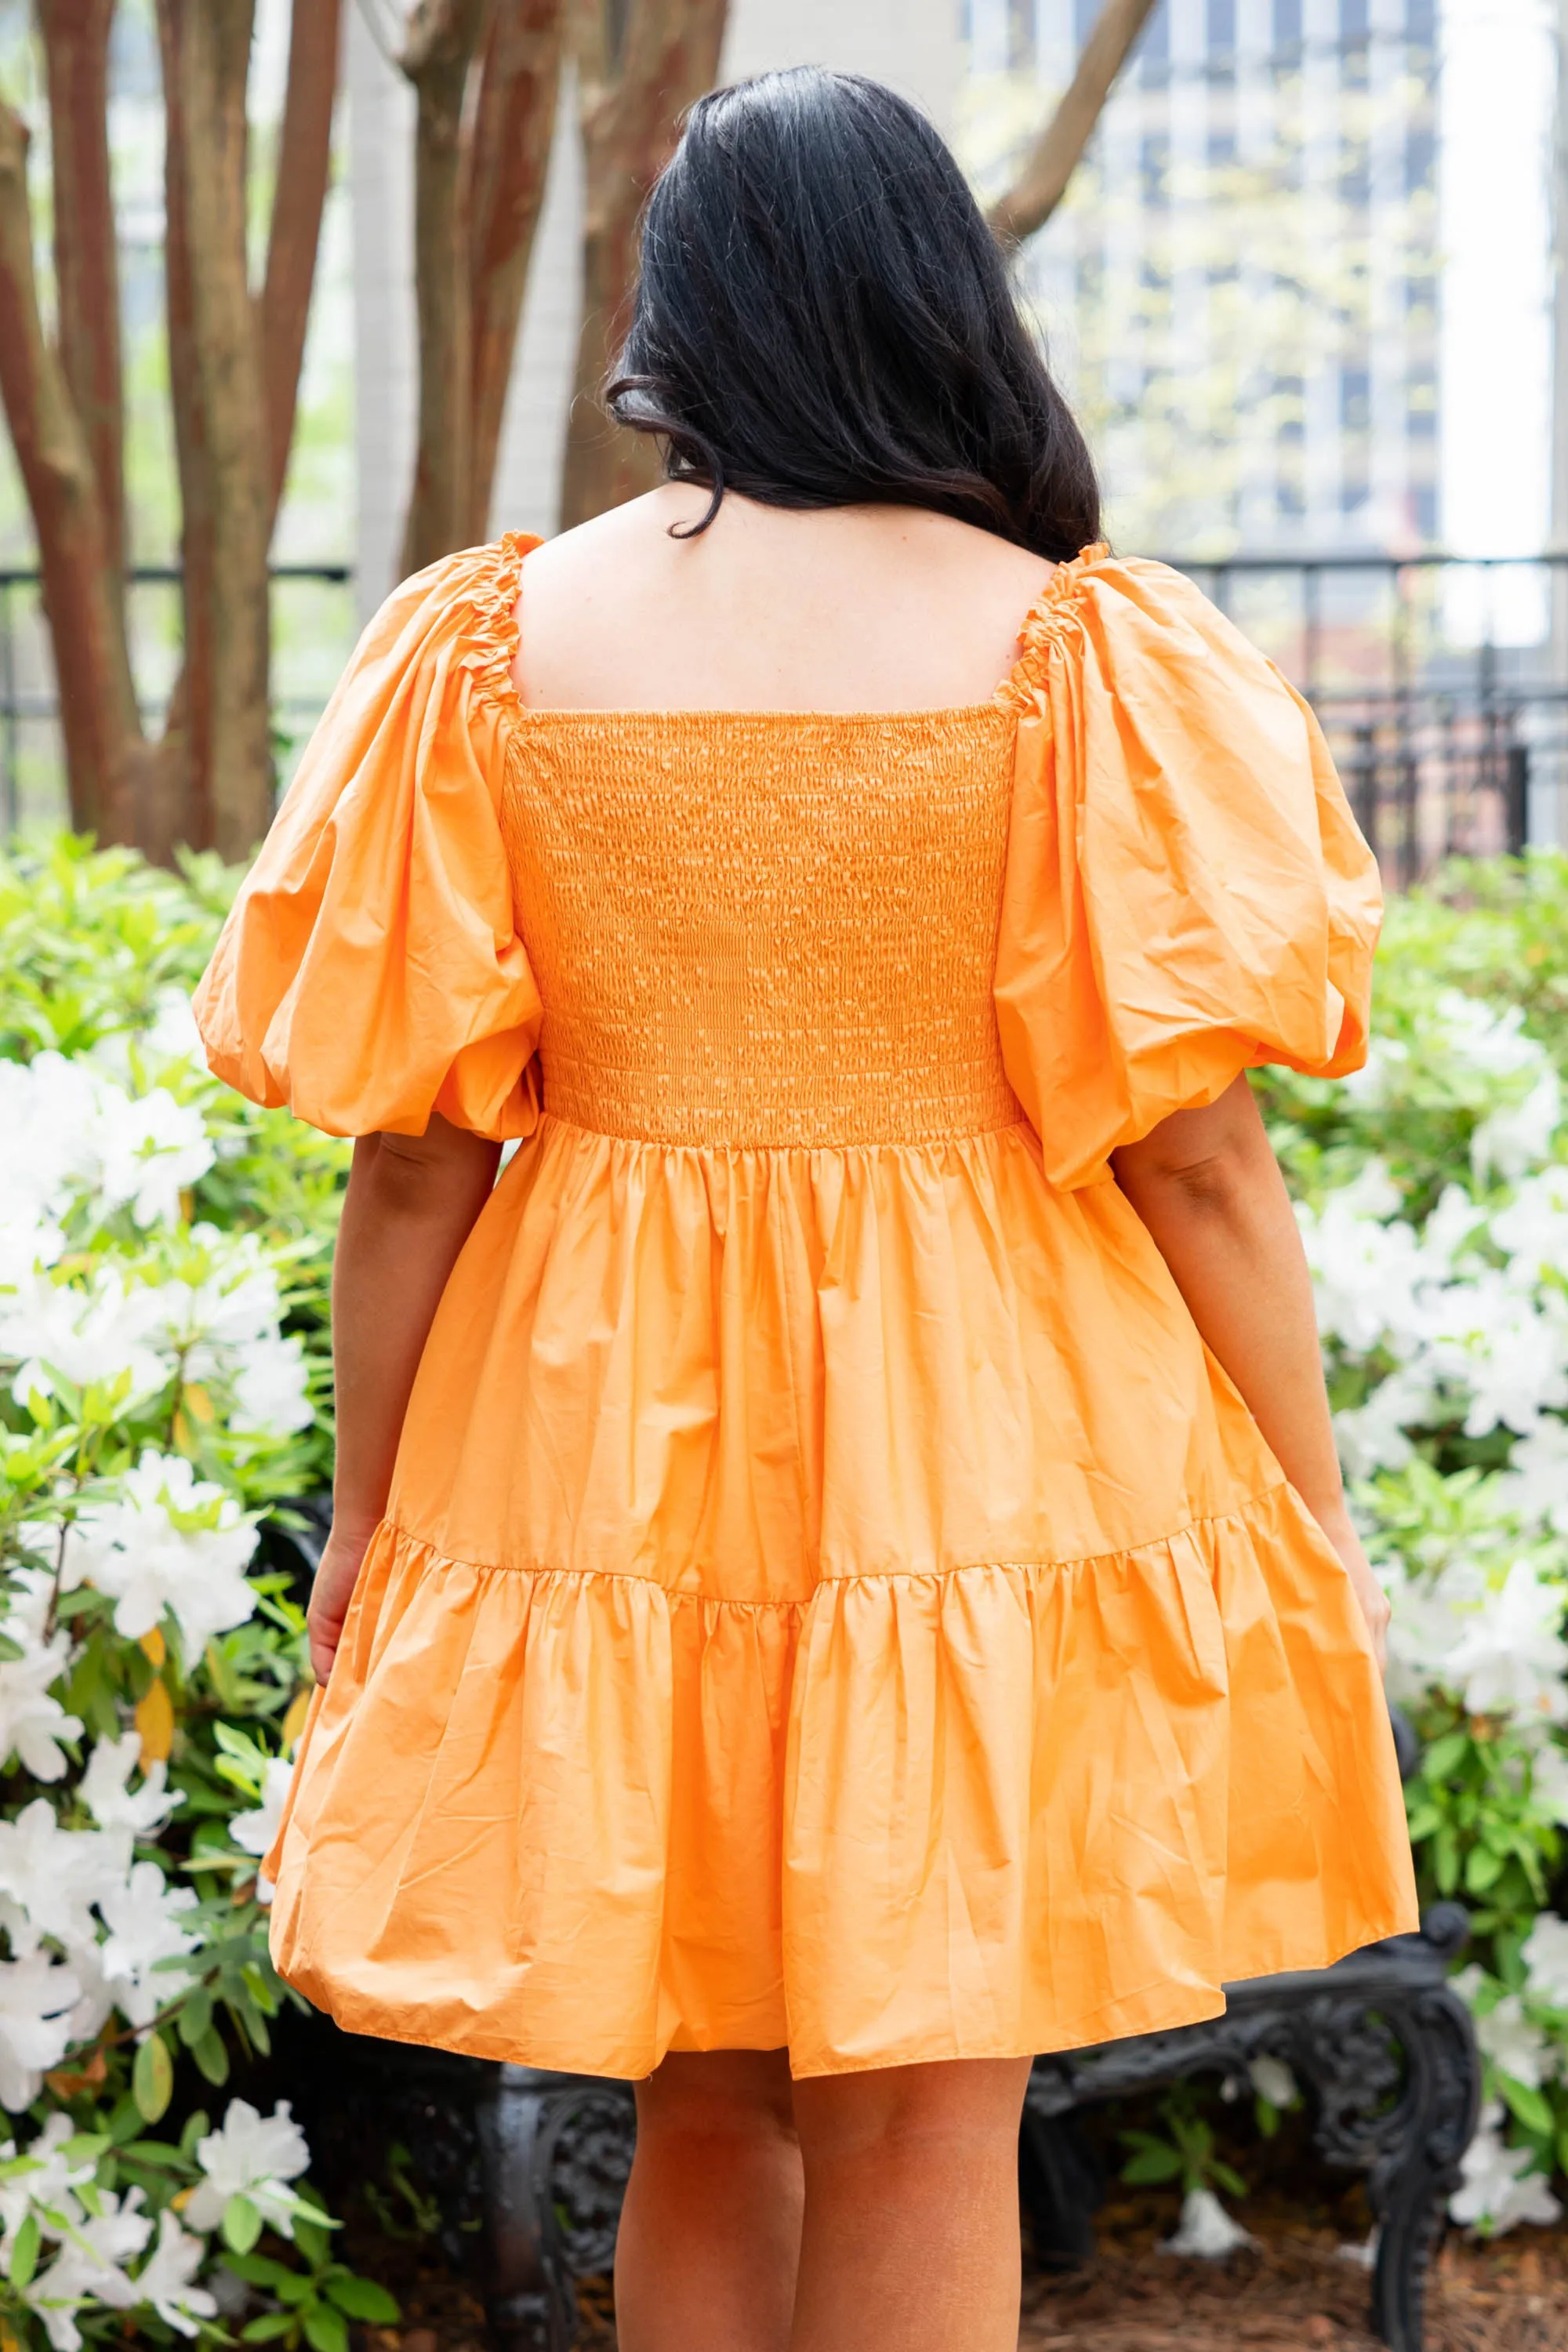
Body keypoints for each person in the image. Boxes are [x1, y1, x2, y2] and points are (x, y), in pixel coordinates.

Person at [194, 64, 1417, 2352]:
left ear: (692, 309)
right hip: (987, 1427)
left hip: (601, 1430)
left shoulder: (495, 645)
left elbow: (409, 1154)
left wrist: (368, 1512)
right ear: (937, 300)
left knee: (703, 2102)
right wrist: (1301, 1495)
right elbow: (1195, 1152)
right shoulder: (1071, 651)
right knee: (927, 2118)